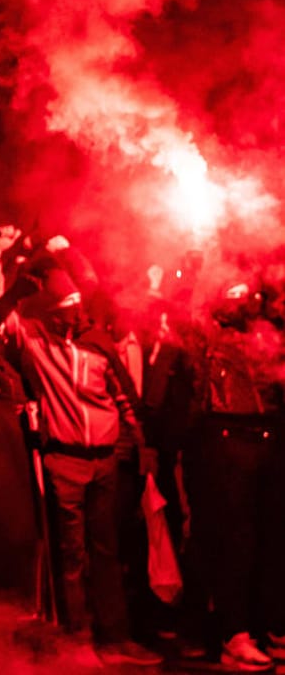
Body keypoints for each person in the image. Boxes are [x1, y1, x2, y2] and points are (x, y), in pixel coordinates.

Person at [0, 237, 161, 667]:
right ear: (51, 306)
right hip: (64, 461)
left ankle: (115, 640)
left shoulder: (97, 343)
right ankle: (77, 644)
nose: (73, 311)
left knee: (107, 553)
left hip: (104, 462)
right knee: (72, 558)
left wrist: (142, 446)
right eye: (65, 304)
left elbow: (125, 399)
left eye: (76, 303)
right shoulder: (36, 344)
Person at [181, 282, 285, 670]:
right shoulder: (209, 337)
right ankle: (234, 635)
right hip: (227, 438)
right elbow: (189, 321)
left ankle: (274, 627)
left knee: (273, 539)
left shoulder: (268, 334)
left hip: (271, 436)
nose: (247, 308)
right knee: (236, 542)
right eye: (239, 303)